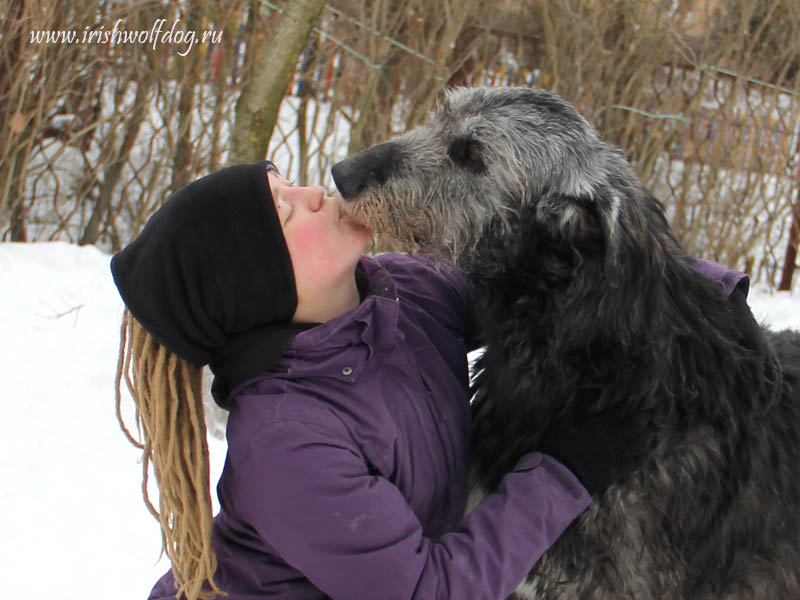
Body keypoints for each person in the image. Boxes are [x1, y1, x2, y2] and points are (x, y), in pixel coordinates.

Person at [111, 161, 657, 600]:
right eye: (285, 210)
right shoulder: (287, 441)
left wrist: (695, 300)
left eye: (288, 181)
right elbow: (427, 589)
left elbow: (530, 289)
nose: (316, 192)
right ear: (255, 285)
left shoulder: (403, 292)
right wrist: (566, 472)